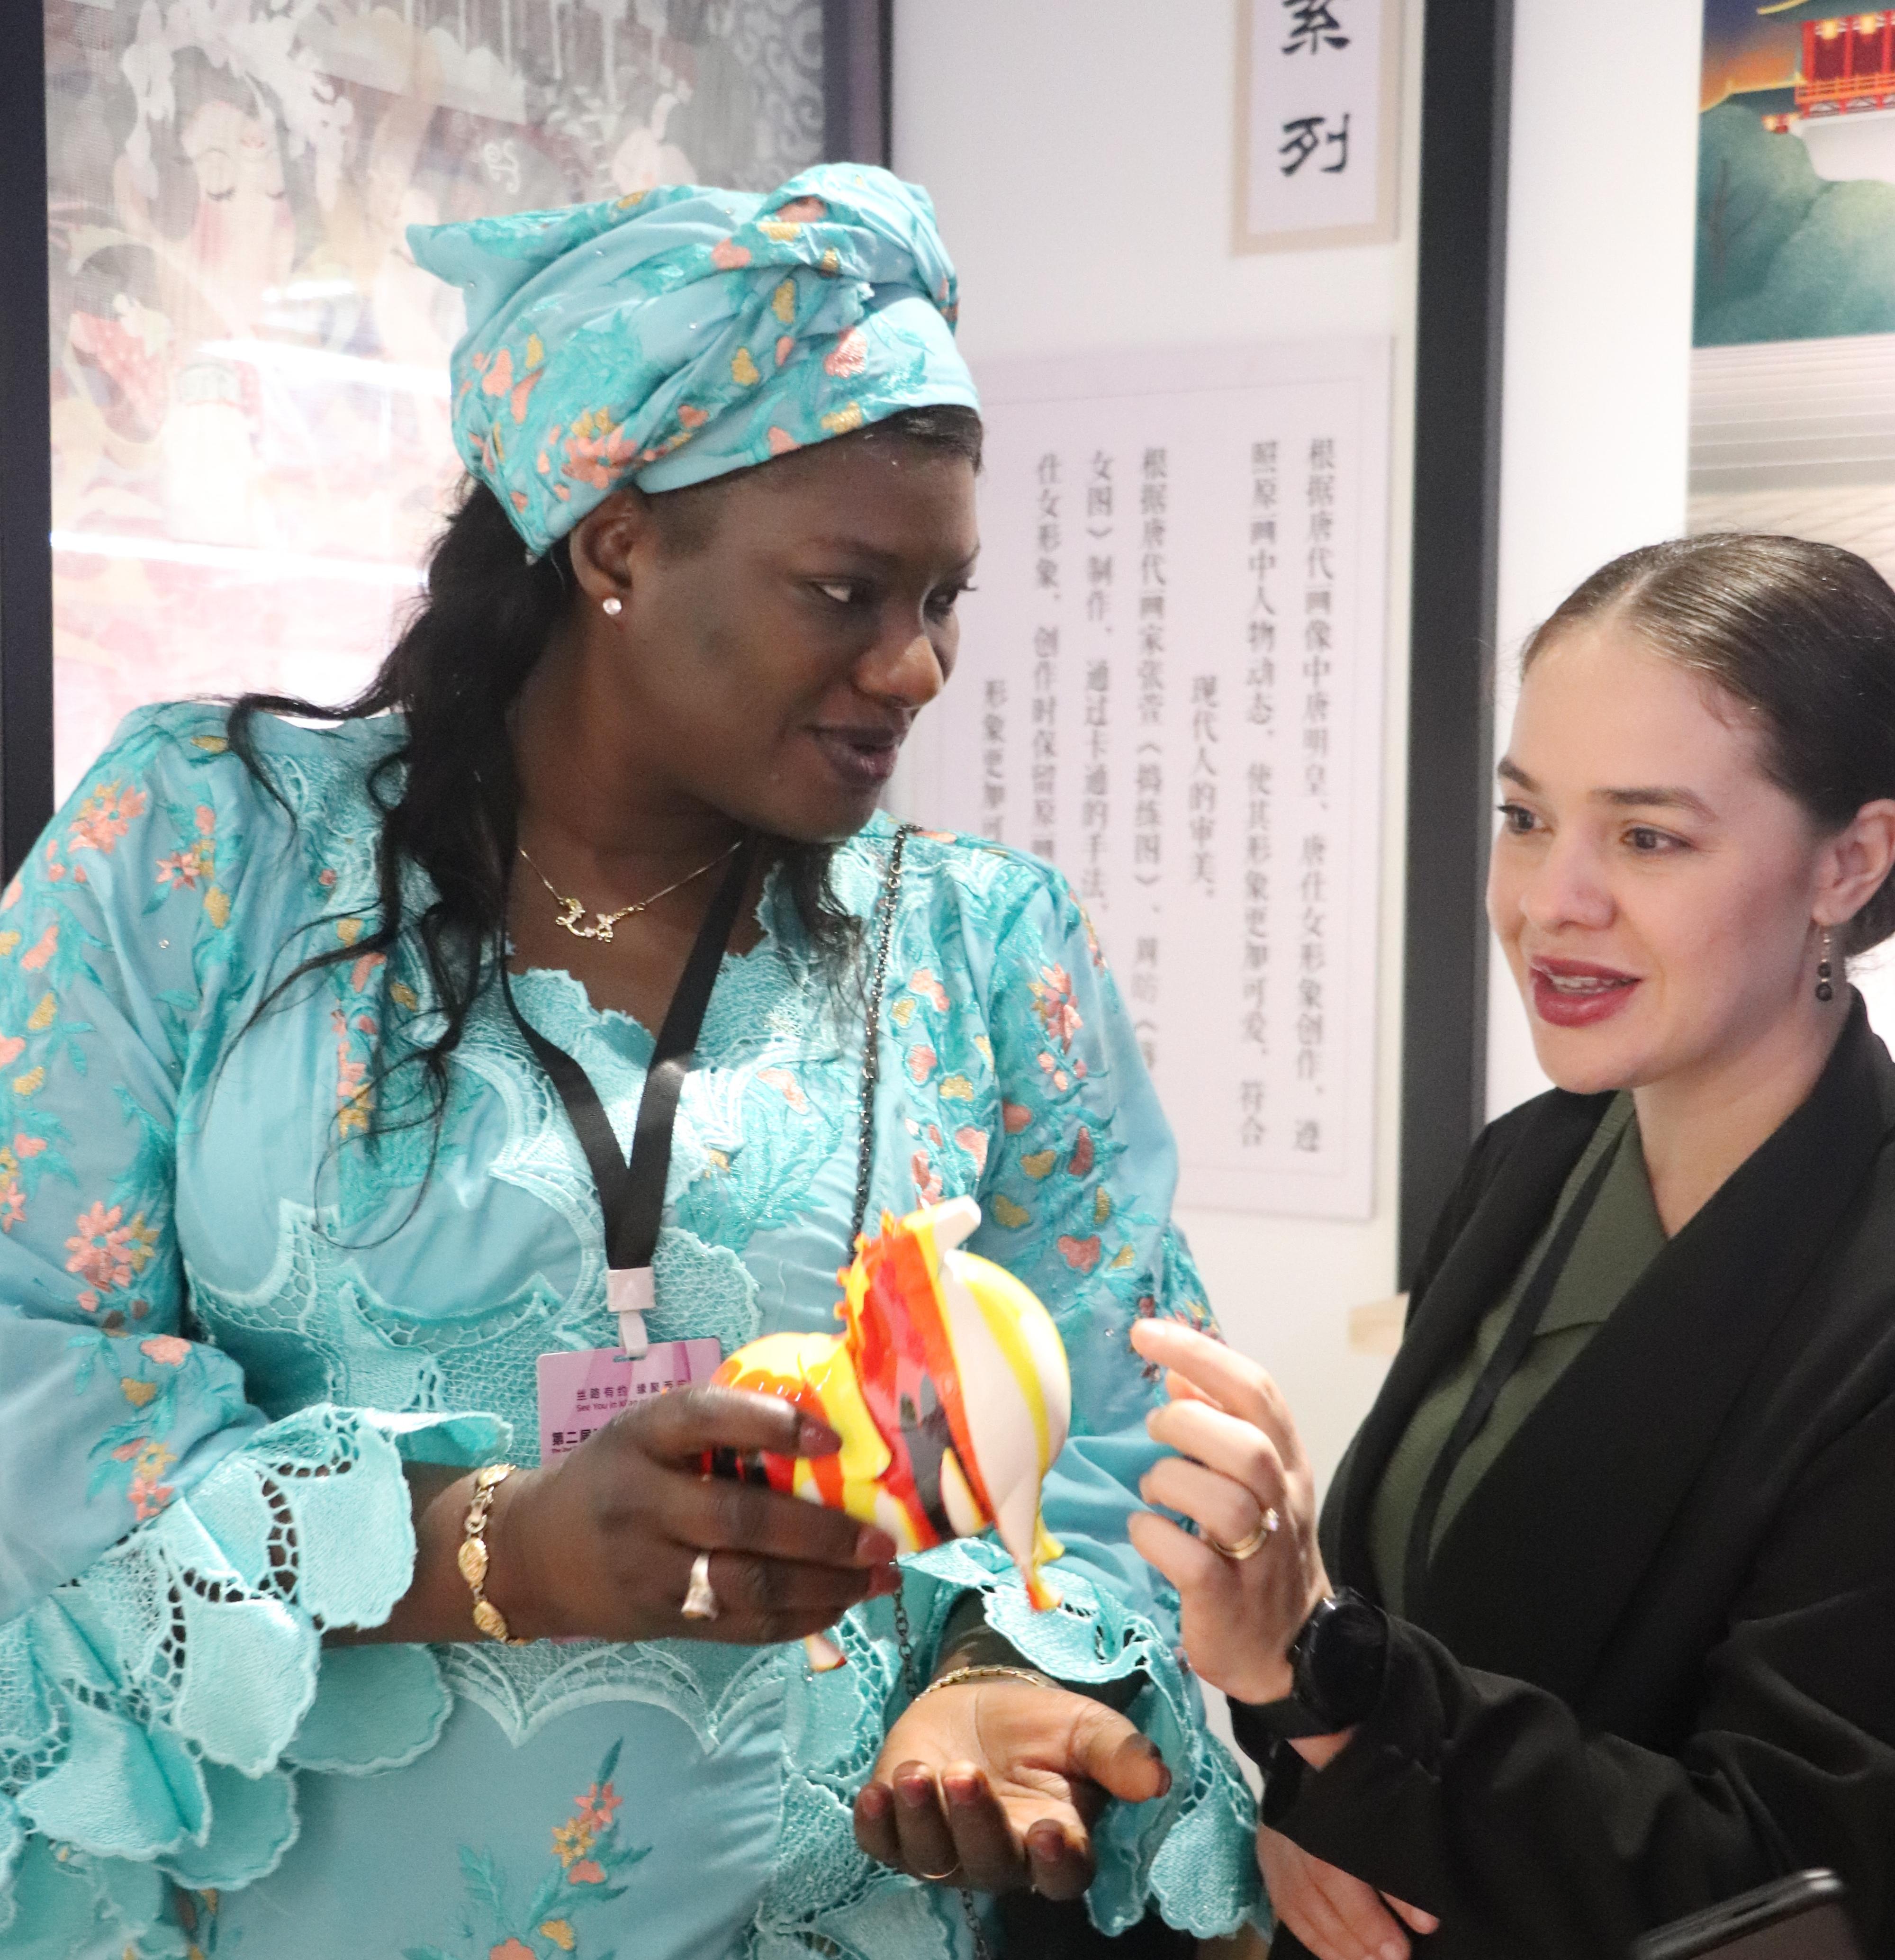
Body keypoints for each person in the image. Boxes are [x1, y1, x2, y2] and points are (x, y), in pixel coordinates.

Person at [0, 166, 1262, 1958]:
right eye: (847, 590)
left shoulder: (981, 950)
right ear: (614, 548)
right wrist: (491, 1545)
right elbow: (31, 1361)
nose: (916, 667)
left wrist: (1001, 1666)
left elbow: (1117, 1404)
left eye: (943, 598)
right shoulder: (208, 856)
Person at [1128, 534, 1895, 1959]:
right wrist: (1310, 1783)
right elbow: (1388, 1607)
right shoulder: (1534, 1161)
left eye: (1648, 837)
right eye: (1527, 817)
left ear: (1848, 861)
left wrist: (1336, 1690)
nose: (1552, 899)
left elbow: (1789, 1879)